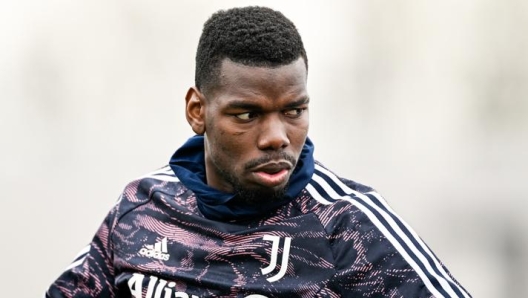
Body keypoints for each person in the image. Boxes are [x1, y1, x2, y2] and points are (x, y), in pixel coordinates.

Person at [46, 6, 471, 298]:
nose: (276, 137)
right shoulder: (143, 206)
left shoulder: (345, 225)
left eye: (294, 111)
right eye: (247, 115)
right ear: (198, 112)